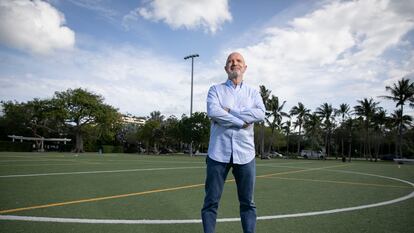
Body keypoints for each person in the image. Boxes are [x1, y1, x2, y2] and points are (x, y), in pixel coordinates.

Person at [201, 52, 265, 233]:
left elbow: (260, 114)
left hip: (245, 155)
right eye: (230, 61)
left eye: (238, 61)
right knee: (210, 202)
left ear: (244, 67)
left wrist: (230, 111)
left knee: (248, 203)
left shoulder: (253, 93)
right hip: (217, 154)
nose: (234, 63)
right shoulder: (215, 90)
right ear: (225, 68)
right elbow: (214, 112)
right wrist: (241, 121)